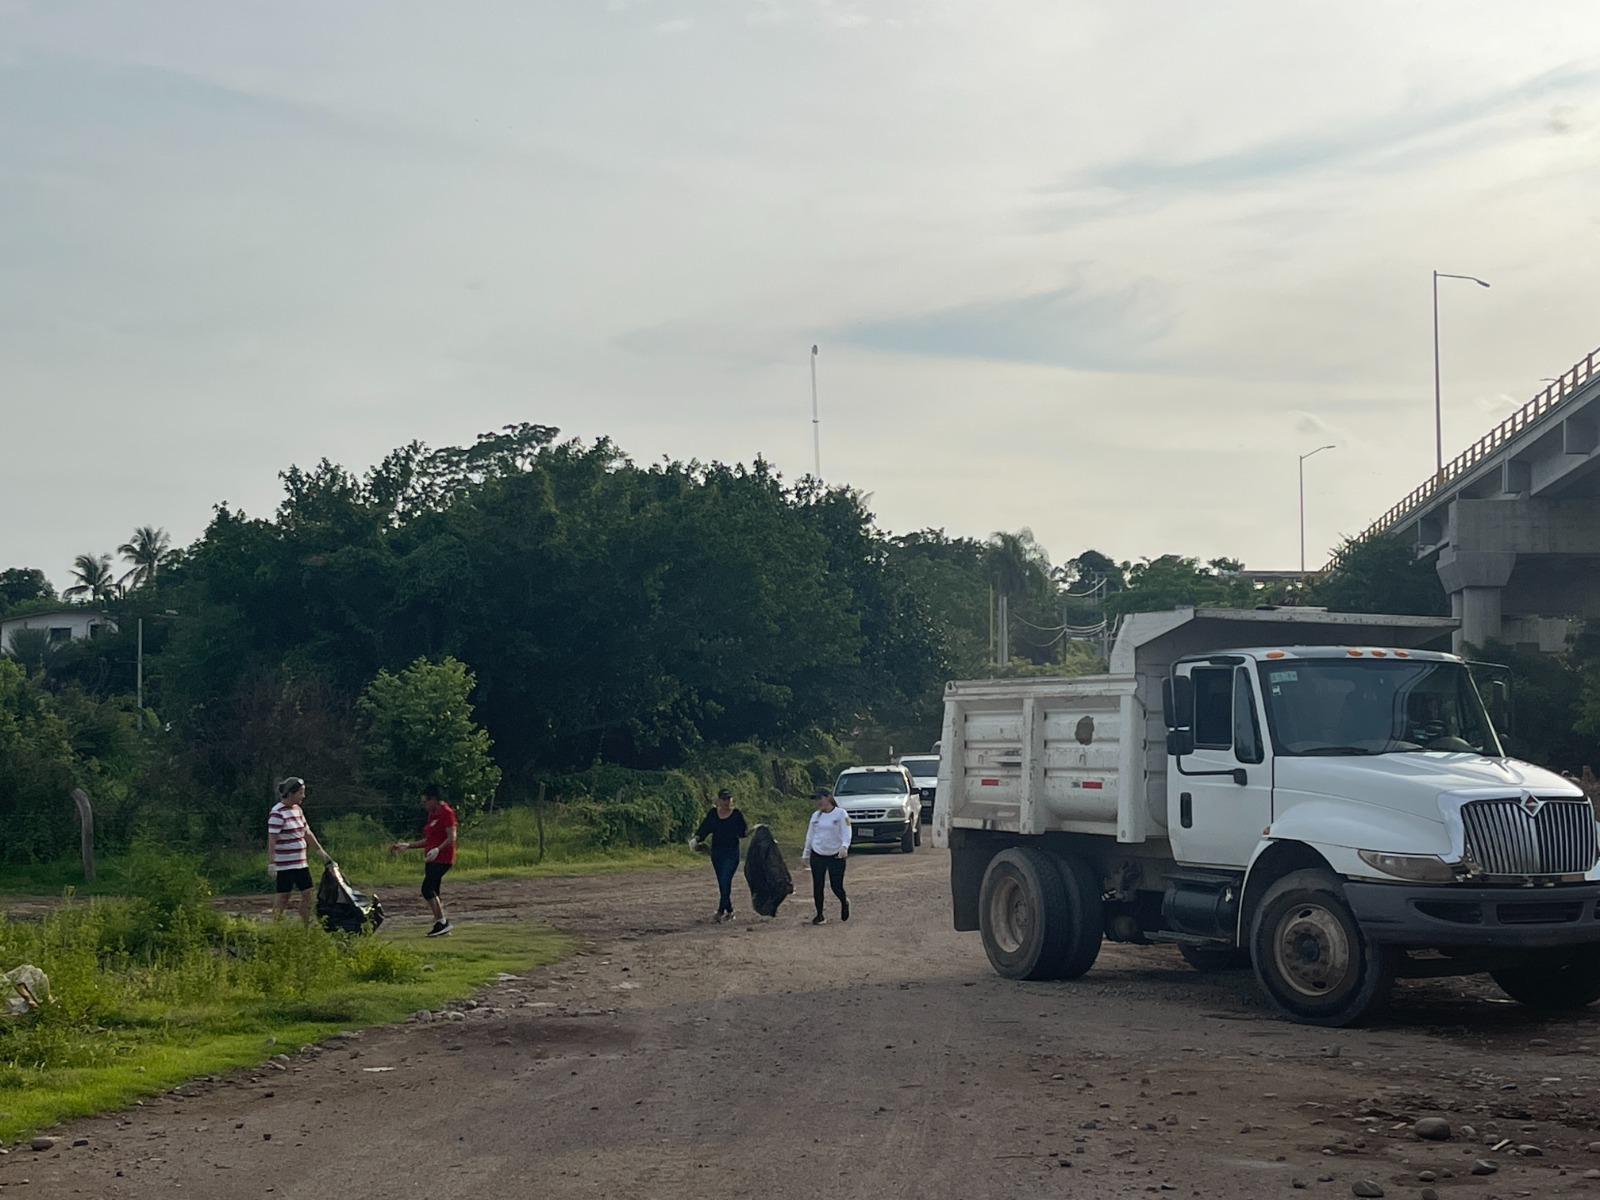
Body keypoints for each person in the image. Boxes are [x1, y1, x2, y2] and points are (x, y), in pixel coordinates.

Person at [389, 784, 458, 937]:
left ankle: (442, 922)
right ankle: (441, 925)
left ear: (433, 799)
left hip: (443, 858)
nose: (424, 805)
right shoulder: (433, 815)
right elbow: (429, 840)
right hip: (431, 859)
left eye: (425, 802)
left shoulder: (447, 813)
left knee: (427, 889)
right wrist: (408, 846)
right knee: (434, 890)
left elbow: (451, 837)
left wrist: (438, 849)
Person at [268, 777, 332, 926]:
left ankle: (305, 925)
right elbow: (272, 840)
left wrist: (320, 852)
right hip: (285, 864)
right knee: (283, 896)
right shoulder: (277, 813)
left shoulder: (298, 810)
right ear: (291, 793)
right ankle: (276, 926)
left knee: (308, 894)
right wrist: (272, 863)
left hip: (300, 862)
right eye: (301, 793)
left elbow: (306, 832)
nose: (303, 796)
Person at [693, 788, 749, 923]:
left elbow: (743, 833)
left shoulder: (736, 814)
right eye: (724, 799)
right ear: (718, 800)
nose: (727, 801)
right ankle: (729, 910)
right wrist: (697, 839)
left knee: (725, 879)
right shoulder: (713, 814)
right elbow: (704, 828)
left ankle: (719, 911)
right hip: (717, 852)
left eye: (729, 798)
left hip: (732, 852)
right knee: (722, 883)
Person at [801, 787, 851, 925]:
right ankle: (820, 914)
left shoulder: (841, 814)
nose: (818, 802)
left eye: (820, 799)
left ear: (828, 798)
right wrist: (806, 853)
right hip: (818, 854)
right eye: (816, 800)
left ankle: (843, 901)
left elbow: (847, 831)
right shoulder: (816, 816)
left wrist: (845, 846)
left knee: (836, 886)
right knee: (818, 885)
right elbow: (810, 835)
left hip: (836, 854)